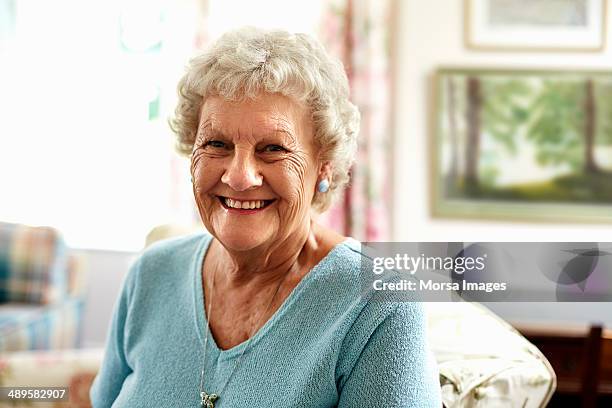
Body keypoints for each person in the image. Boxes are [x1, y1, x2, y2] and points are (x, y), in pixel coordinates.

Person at [90, 27, 441, 407]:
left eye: (273, 148)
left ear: (323, 167)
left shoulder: (379, 305)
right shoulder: (152, 273)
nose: (240, 176)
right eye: (216, 144)